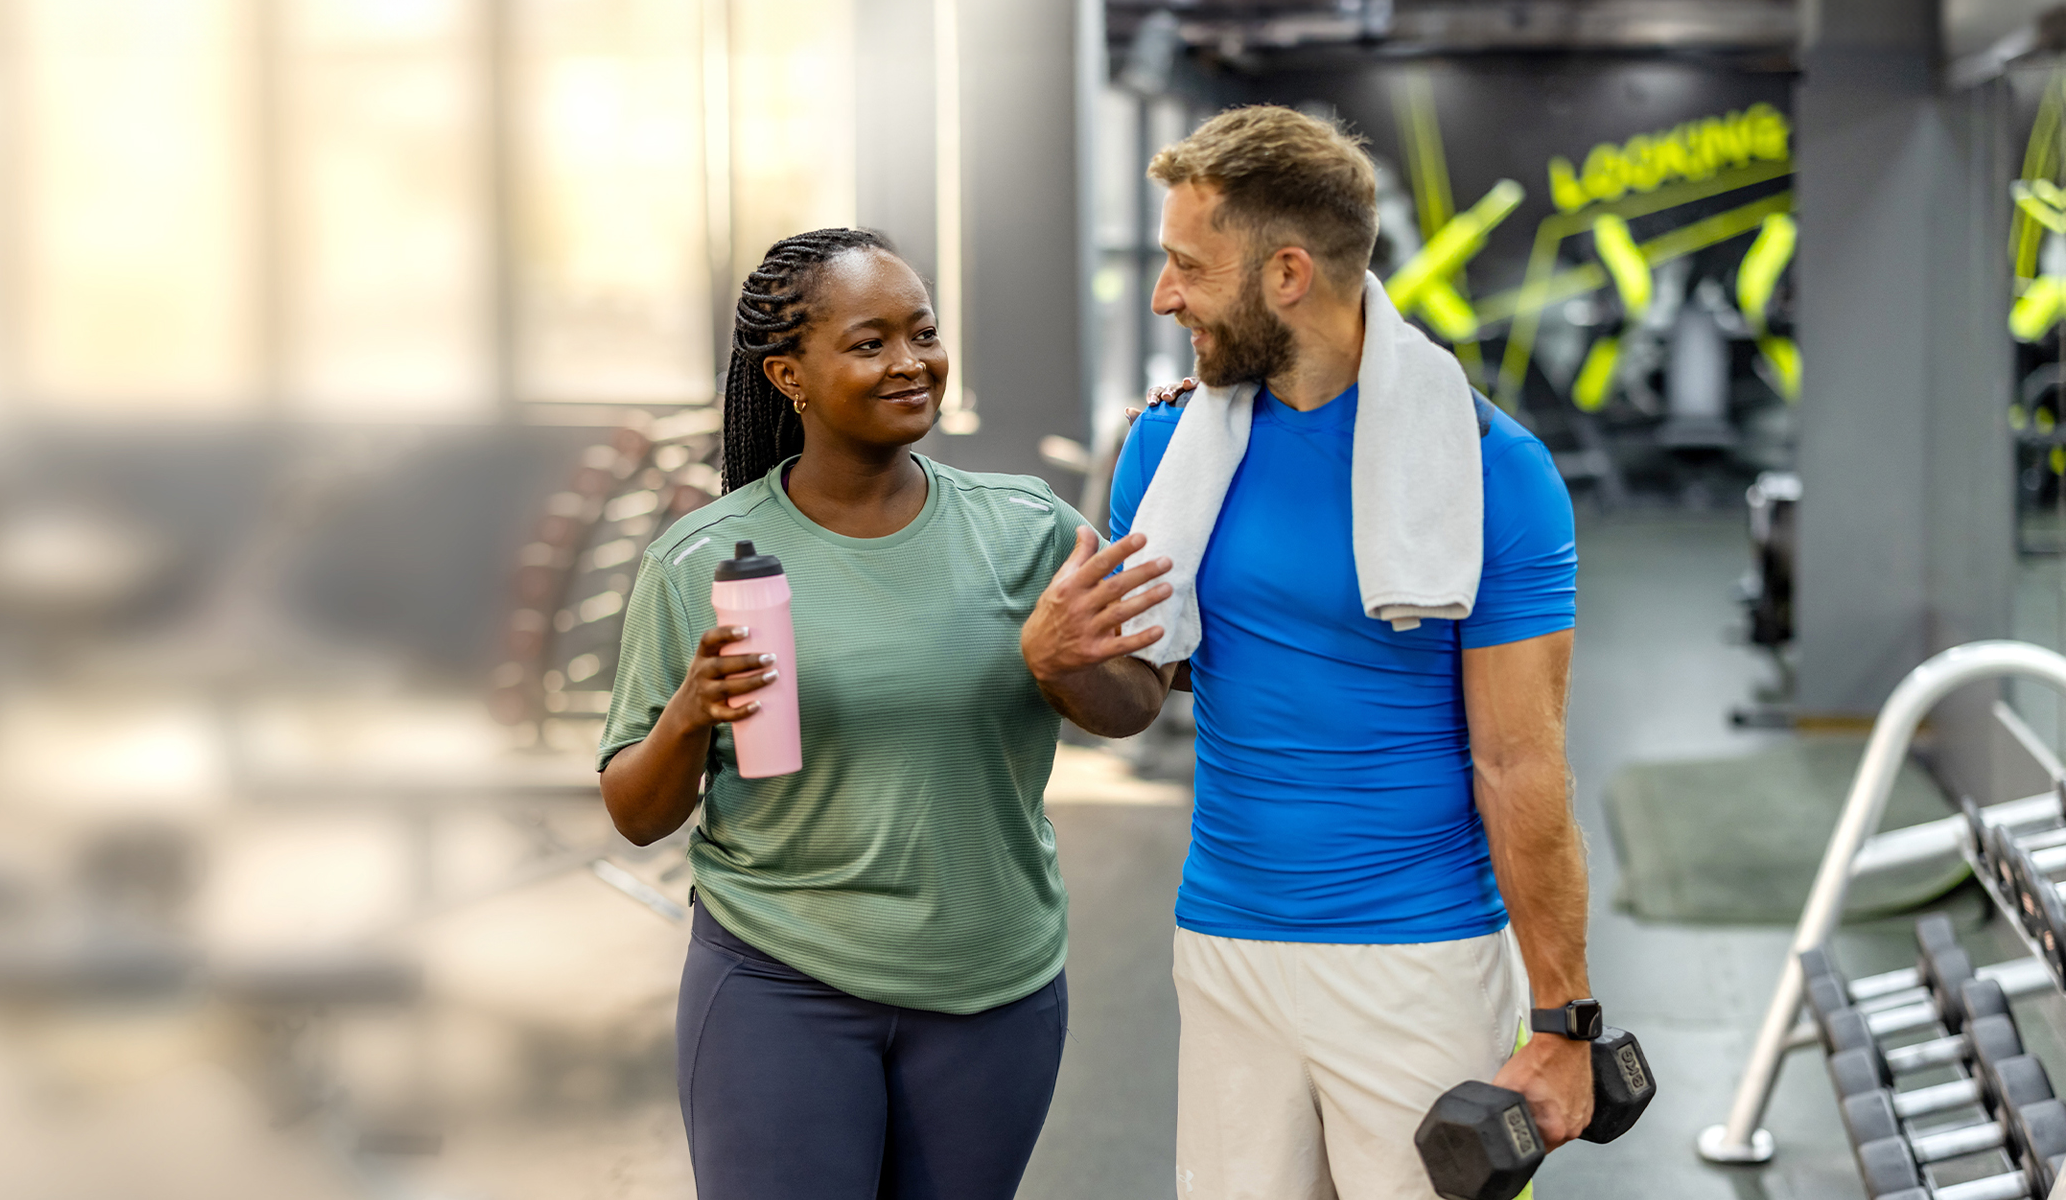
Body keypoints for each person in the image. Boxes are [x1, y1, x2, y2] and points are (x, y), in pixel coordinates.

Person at [1054, 106, 1589, 1199]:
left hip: (1416, 958)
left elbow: (1519, 762)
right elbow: (1130, 697)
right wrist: (1056, 652)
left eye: (1186, 267)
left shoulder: (1493, 469)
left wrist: (1562, 1017)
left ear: (1286, 272)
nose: (1162, 296)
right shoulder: (1165, 446)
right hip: (1222, 944)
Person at [598, 227, 1175, 1200]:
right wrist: (690, 711)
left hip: (991, 986)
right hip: (778, 979)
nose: (910, 362)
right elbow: (634, 809)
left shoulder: (1025, 526)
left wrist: (1059, 666)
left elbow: (1133, 705)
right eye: (869, 342)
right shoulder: (701, 559)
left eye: (923, 332)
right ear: (788, 372)